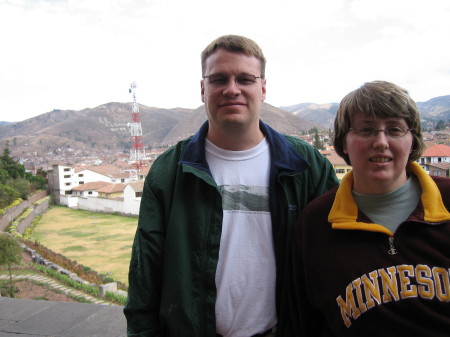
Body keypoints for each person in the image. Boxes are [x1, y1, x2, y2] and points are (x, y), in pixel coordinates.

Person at [124, 34, 339, 337]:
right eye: (219, 79)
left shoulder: (307, 166)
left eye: (245, 79)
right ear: (203, 89)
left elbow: (333, 263)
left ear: (263, 88)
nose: (232, 89)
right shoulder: (170, 172)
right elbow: (145, 274)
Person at [291, 80, 450, 336]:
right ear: (344, 142)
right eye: (366, 130)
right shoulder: (316, 222)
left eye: (395, 130)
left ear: (412, 140)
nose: (381, 142)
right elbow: (305, 322)